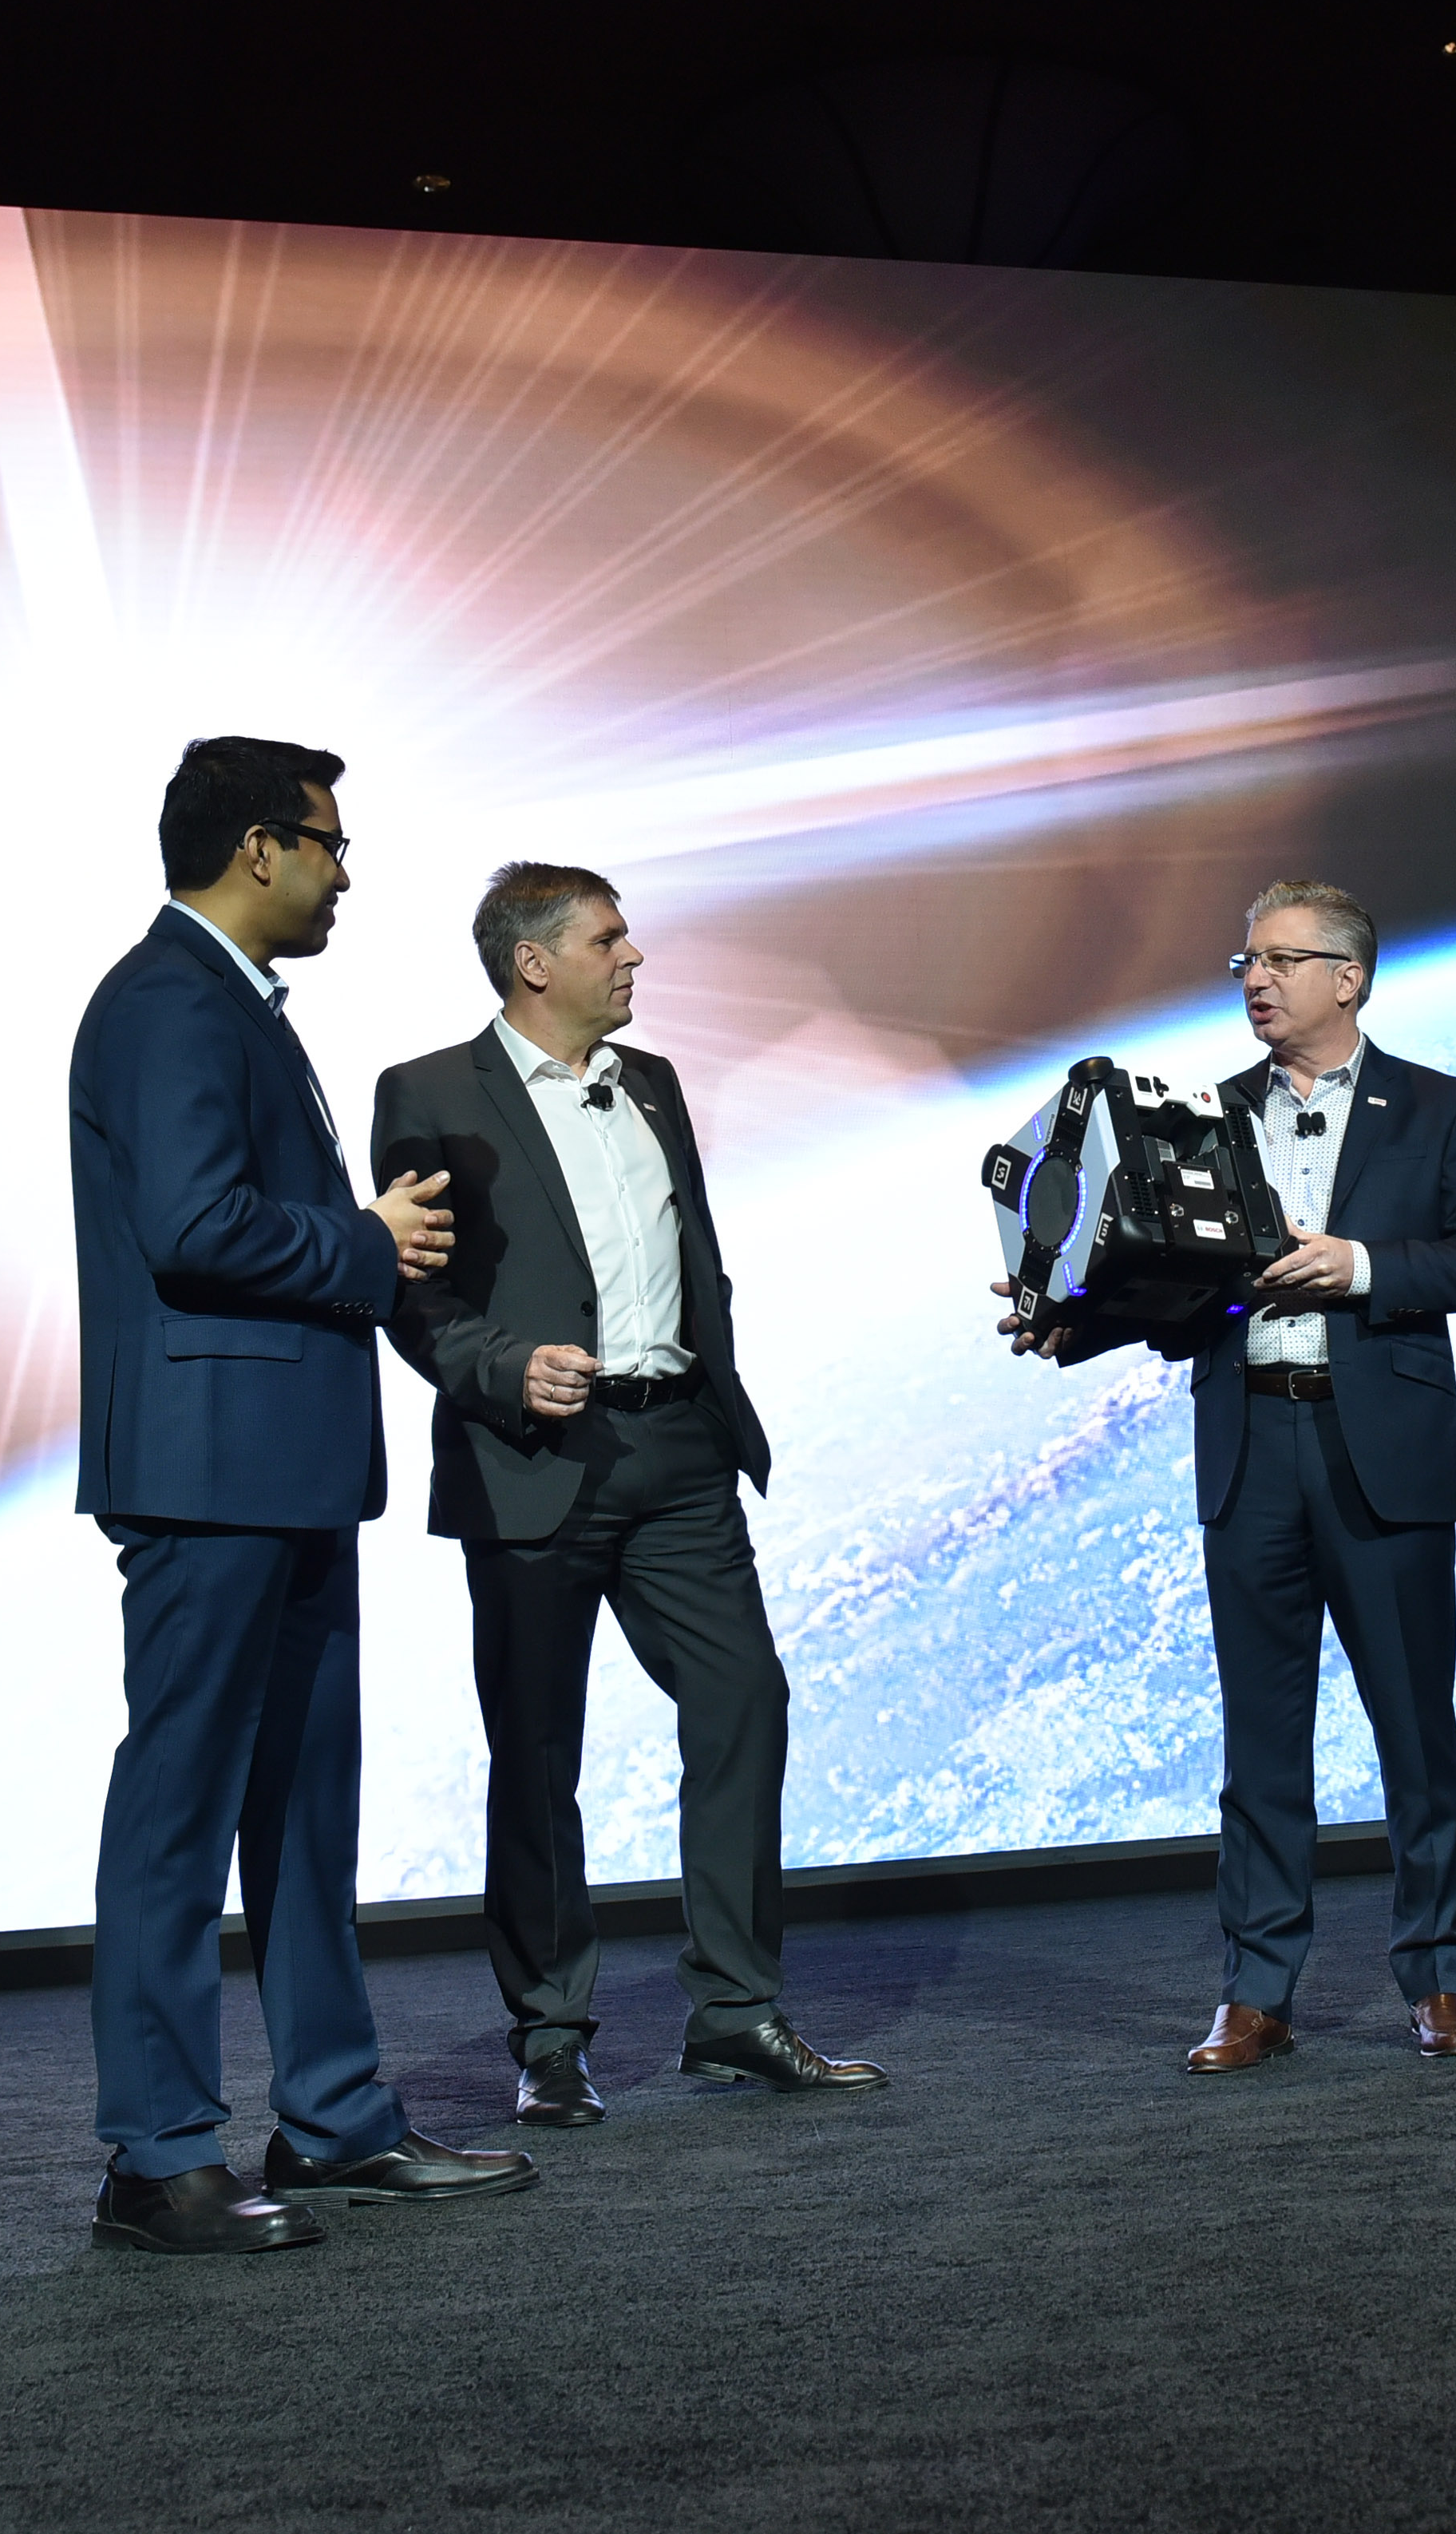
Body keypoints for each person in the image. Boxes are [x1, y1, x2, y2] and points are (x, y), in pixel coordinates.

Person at [66, 738, 539, 2253]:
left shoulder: (236, 1005)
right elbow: (194, 1223)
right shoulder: (167, 1001)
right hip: (208, 1477)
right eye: (331, 844)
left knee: (305, 1813)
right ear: (259, 848)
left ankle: (334, 2119)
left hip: (282, 1472)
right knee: (181, 1815)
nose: (345, 874)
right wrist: (367, 1240)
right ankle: (157, 2156)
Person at [370, 864, 882, 2124]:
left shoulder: (649, 1081)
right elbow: (413, 1291)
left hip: (679, 1454)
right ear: (534, 962)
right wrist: (504, 1367)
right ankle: (551, 2034)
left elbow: (692, 1255)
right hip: (533, 1460)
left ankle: (737, 2010)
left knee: (743, 1698)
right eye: (608, 939)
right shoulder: (428, 1092)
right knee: (538, 1750)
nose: (633, 955)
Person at [992, 878, 1456, 2071]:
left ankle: (1440, 1978)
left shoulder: (1439, 1106)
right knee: (1261, 1741)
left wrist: (1361, 1266)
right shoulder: (1204, 1116)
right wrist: (1068, 1322)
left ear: (1350, 977)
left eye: (1282, 960)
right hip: (1251, 1452)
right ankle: (1257, 1992)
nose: (1256, 980)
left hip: (1381, 1453)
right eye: (1247, 961)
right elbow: (1169, 1283)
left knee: (1415, 1733)